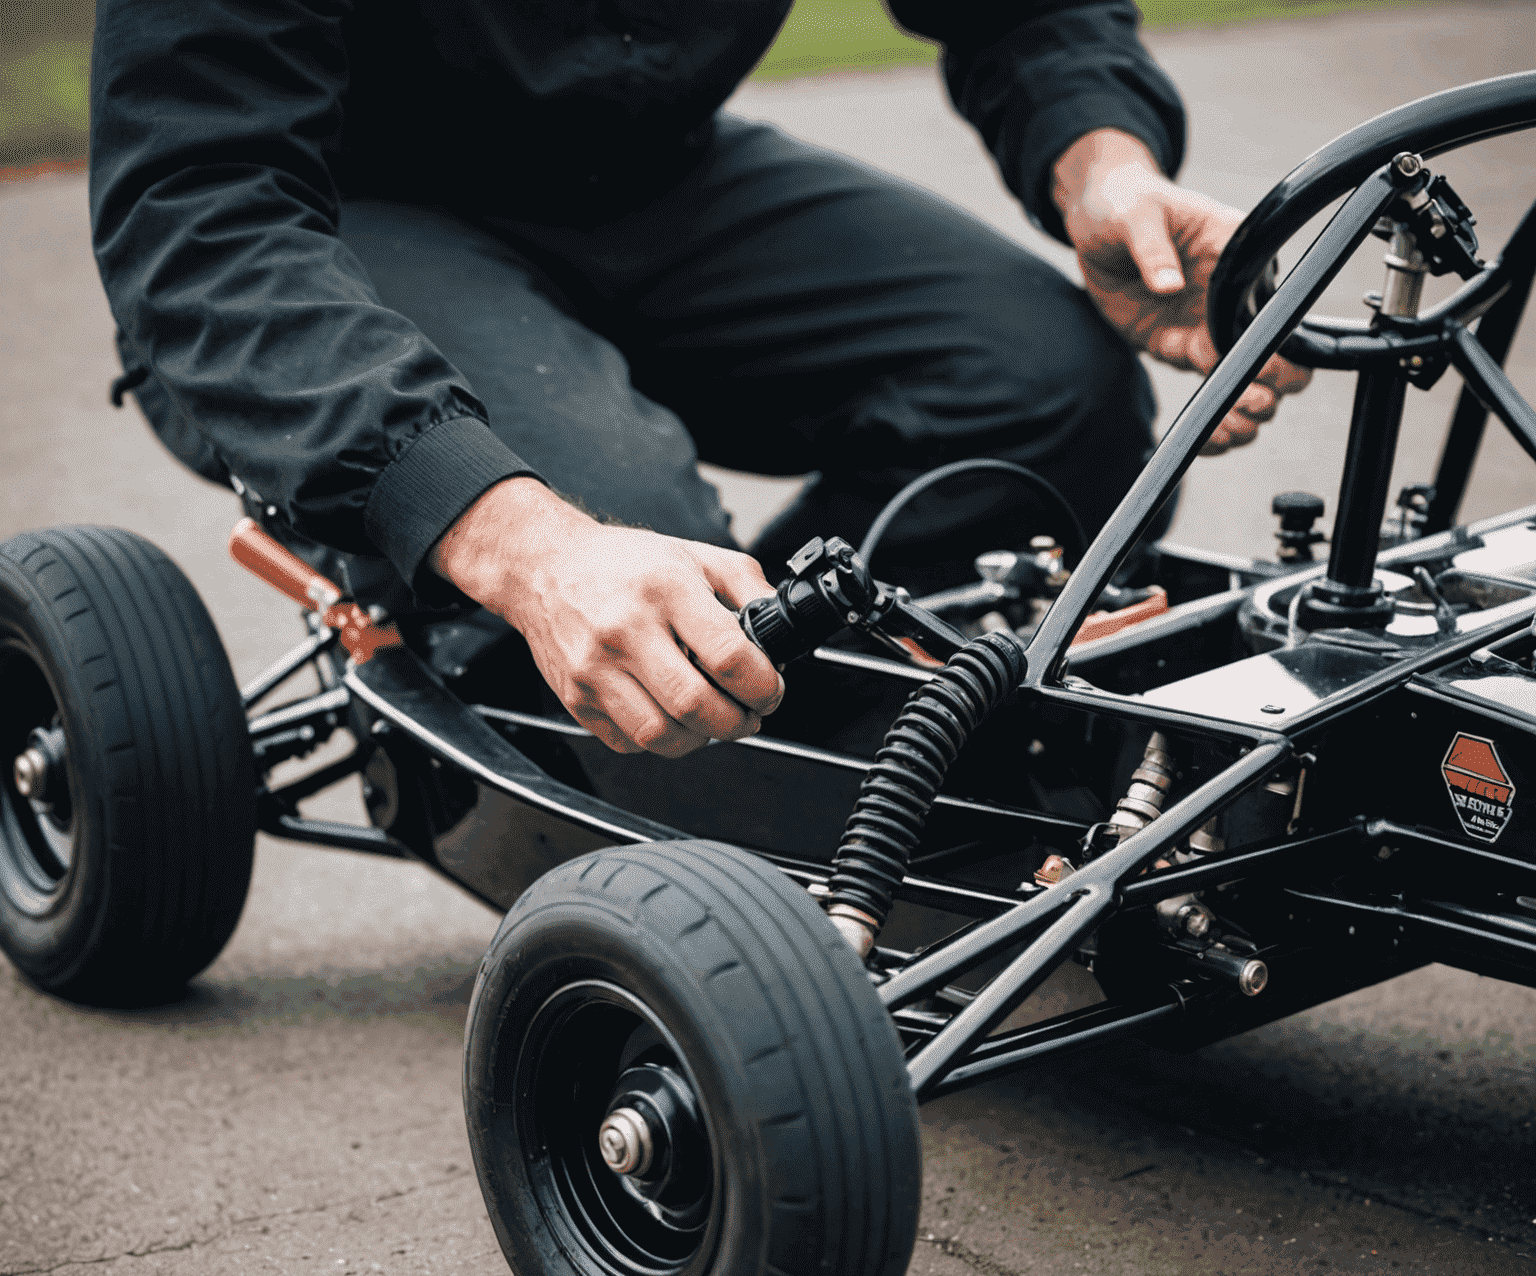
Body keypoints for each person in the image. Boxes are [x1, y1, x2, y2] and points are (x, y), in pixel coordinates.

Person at [90, 0, 1307, 760]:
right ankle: (553, 710)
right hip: (342, 209)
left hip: (650, 176)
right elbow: (197, 211)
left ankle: (824, 710)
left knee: (1051, 388)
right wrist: (522, 546)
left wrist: (1102, 165)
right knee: (630, 554)